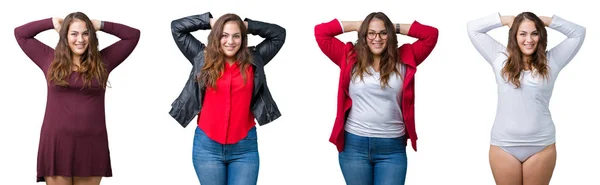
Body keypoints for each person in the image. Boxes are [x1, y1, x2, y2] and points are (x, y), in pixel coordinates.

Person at [14, 12, 140, 185]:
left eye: (85, 33)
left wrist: (100, 25)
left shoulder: (102, 61)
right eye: (74, 33)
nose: (80, 39)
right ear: (65, 36)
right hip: (56, 143)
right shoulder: (49, 59)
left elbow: (133, 36)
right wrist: (52, 23)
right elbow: (21, 33)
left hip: (92, 144)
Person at [314, 12, 438, 185]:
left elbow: (431, 34)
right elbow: (321, 32)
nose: (377, 38)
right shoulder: (349, 56)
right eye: (370, 33)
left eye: (382, 33)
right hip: (354, 146)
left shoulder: (405, 57)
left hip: (392, 148)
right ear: (364, 35)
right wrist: (359, 24)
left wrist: (392, 27)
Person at [467, 12, 586, 185]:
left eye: (534, 33)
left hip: (541, 146)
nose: (529, 39)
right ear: (514, 36)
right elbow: (473, 29)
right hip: (504, 146)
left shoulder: (551, 61)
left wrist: (547, 21)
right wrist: (505, 19)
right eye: (522, 33)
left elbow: (578, 33)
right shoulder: (500, 58)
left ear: (541, 35)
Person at [169, 12, 286, 185]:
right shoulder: (202, 57)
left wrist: (247, 25)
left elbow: (278, 34)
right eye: (224, 35)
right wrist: (210, 22)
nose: (230, 41)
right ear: (217, 36)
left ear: (242, 38)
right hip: (207, 147)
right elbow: (177, 28)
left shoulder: (255, 59)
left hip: (244, 148)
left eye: (236, 36)